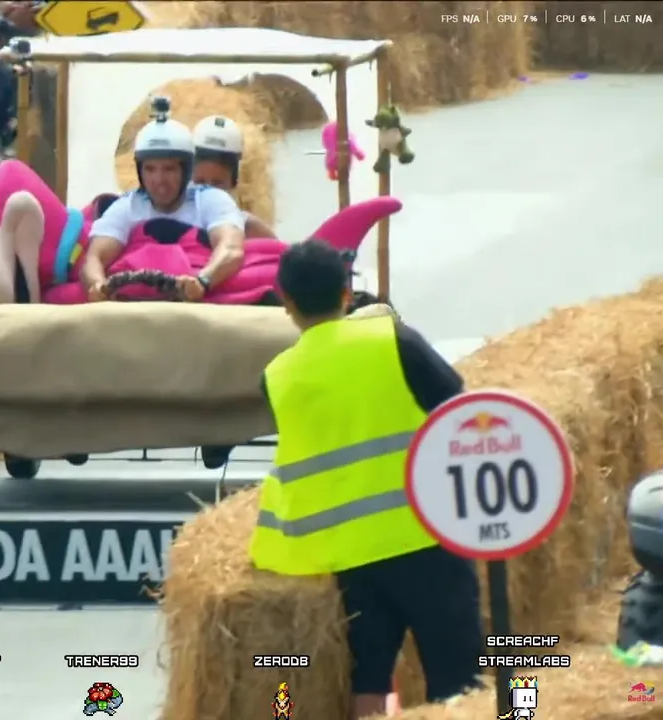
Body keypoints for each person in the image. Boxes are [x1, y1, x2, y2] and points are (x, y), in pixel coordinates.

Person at [250, 239, 485, 718]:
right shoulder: (394, 340)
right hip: (424, 536)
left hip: (346, 556)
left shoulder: (275, 377)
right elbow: (457, 411)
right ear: (347, 293)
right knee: (456, 677)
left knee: (368, 678)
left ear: (286, 302)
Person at [82, 99, 248, 303]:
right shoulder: (127, 206)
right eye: (150, 169)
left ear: (186, 170)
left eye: (169, 169)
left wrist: (202, 281)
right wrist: (99, 286)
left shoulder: (212, 199)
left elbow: (231, 248)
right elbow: (94, 258)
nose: (159, 180)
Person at [190, 115, 278, 239]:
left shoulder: (248, 226)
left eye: (217, 184)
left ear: (233, 182)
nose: (208, 192)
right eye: (200, 182)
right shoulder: (170, 218)